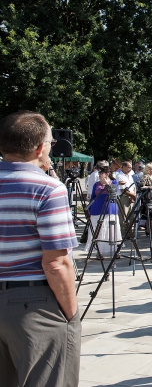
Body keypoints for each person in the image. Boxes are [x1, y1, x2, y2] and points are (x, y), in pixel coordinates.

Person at [0, 111, 81, 387]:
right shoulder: (48, 189)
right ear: (39, 148)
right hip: (33, 303)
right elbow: (56, 263)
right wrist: (71, 315)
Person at [85, 166, 122, 258]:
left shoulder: (114, 182)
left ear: (107, 174)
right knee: (99, 231)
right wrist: (89, 210)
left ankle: (115, 251)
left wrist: (107, 184)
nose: (100, 175)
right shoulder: (96, 184)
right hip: (97, 209)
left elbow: (114, 195)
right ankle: (99, 252)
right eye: (99, 173)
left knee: (112, 231)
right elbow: (92, 197)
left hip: (110, 210)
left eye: (102, 173)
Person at [115, 160, 137, 238]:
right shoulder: (119, 175)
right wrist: (133, 195)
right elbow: (123, 190)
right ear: (123, 167)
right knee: (123, 216)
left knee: (131, 216)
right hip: (123, 197)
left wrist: (133, 195)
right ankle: (122, 234)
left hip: (131, 197)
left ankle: (129, 233)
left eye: (131, 167)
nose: (130, 169)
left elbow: (134, 186)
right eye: (128, 167)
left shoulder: (131, 175)